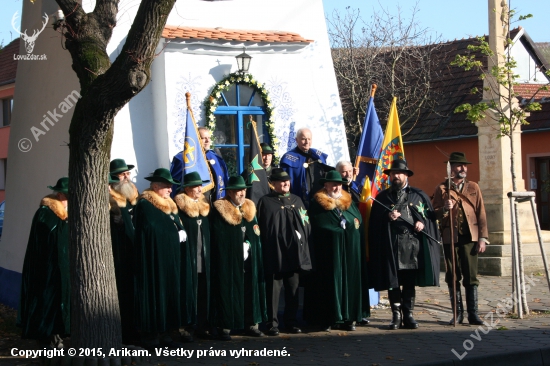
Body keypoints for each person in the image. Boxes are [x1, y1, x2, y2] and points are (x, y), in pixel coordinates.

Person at [369, 159, 440, 330]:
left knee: (408, 281)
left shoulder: (418, 195)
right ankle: (395, 315)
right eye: (393, 173)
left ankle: (408, 314)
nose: (396, 176)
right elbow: (374, 223)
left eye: (399, 173)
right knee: (393, 281)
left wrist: (421, 223)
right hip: (391, 245)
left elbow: (428, 218)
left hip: (411, 245)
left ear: (406, 175)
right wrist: (387, 217)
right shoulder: (382, 197)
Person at [304, 171, 368, 332]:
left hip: (350, 253)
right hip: (328, 254)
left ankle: (349, 317)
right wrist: (337, 231)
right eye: (333, 184)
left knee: (350, 283)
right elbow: (318, 224)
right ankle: (328, 318)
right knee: (329, 283)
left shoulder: (348, 201)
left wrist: (352, 226)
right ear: (325, 185)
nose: (336, 187)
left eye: (339, 184)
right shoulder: (318, 203)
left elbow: (357, 219)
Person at [431, 152, 488, 326]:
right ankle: (457, 314)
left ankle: (473, 314)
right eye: (459, 165)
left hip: (470, 238)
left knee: (471, 276)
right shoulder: (441, 188)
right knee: (453, 276)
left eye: (465, 165)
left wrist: (483, 238)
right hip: (451, 238)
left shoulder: (473, 187)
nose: (463, 168)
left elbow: (481, 213)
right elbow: (433, 214)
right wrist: (445, 209)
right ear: (451, 168)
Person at [133, 168, 187, 348]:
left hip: (169, 260)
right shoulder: (145, 205)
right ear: (156, 187)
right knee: (155, 294)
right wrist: (174, 234)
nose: (170, 190)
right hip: (153, 261)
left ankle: (166, 332)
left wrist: (179, 230)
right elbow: (152, 230)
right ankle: (152, 334)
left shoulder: (169, 206)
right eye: (167, 186)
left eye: (171, 186)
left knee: (169, 293)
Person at [209, 176, 267, 340]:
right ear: (230, 192)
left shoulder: (249, 208)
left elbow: (255, 233)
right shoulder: (220, 210)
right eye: (238, 190)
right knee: (228, 291)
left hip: (249, 261)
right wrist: (235, 247)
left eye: (243, 190)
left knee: (250, 290)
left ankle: (251, 324)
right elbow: (219, 238)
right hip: (228, 261)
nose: (242, 193)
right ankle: (225, 326)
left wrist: (249, 243)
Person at [256, 168, 312, 336]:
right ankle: (272, 323)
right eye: (281, 181)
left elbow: (306, 223)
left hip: (294, 254)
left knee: (293, 289)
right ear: (273, 184)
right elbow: (264, 227)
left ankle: (291, 322)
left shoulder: (297, 200)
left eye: (287, 180)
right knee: (273, 290)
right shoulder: (265, 202)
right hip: (275, 254)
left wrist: (301, 237)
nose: (286, 183)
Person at [17, 177, 70, 348]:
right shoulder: (45, 213)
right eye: (67, 196)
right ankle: (47, 336)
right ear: (60, 195)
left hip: (62, 268)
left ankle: (60, 333)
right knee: (47, 301)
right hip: (46, 268)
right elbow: (43, 241)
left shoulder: (67, 214)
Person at [174, 172, 212, 341]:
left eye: (200, 185)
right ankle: (187, 326)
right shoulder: (180, 208)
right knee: (189, 292)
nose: (199, 189)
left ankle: (203, 325)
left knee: (203, 293)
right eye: (195, 186)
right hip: (188, 259)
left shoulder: (205, 208)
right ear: (187, 188)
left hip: (204, 260)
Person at [108, 174, 137, 343]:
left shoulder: (132, 198)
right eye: (122, 174)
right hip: (118, 257)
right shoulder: (112, 202)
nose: (126, 177)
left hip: (131, 255)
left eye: (127, 173)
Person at [280, 128, 331, 207]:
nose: (307, 142)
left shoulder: (318, 156)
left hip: (319, 200)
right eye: (304, 139)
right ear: (297, 140)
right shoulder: (288, 158)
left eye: (309, 139)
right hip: (298, 201)